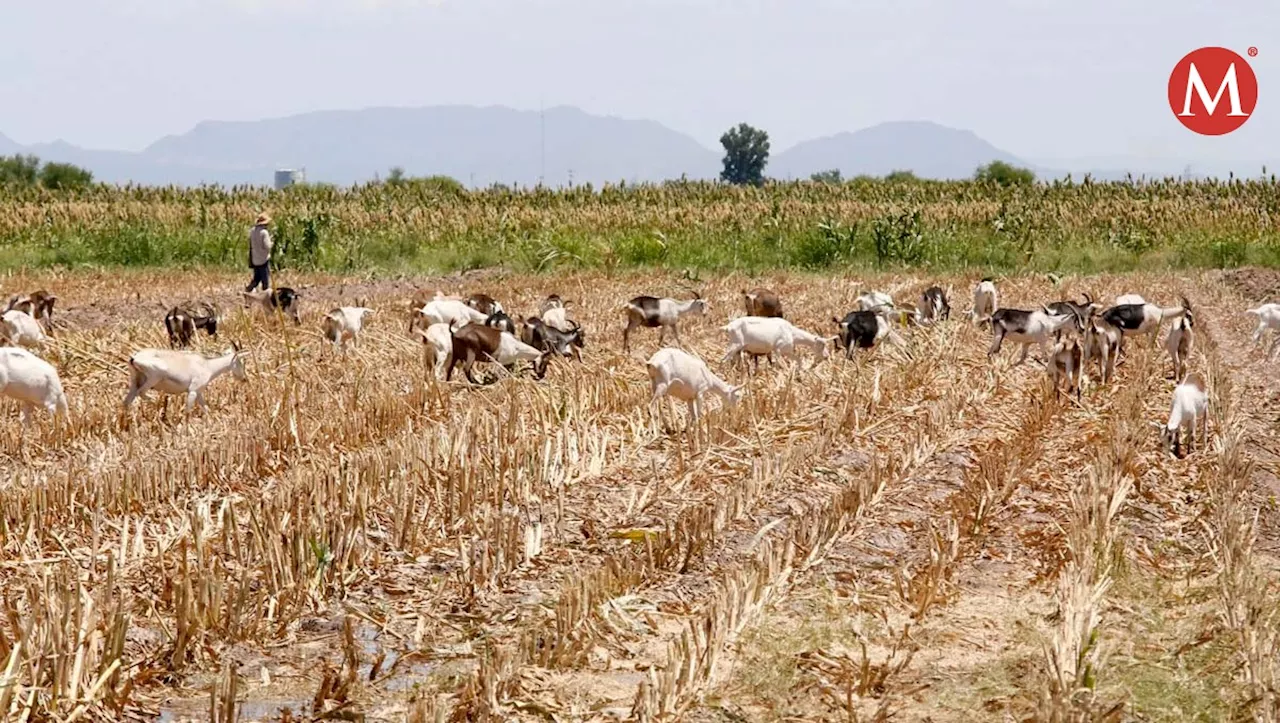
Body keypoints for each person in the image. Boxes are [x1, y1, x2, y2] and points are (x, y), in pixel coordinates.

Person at [246, 213, 274, 292]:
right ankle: (266, 294)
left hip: (255, 258)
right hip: (263, 259)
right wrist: (272, 243)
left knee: (257, 278)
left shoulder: (252, 231)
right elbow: (267, 246)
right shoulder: (264, 232)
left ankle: (249, 289)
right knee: (265, 279)